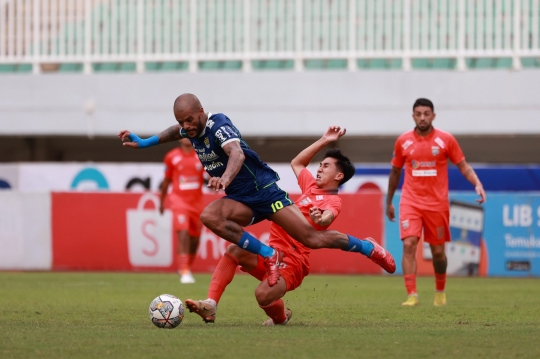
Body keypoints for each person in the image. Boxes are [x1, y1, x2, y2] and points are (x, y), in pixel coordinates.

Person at [118, 93, 395, 286]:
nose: (186, 127)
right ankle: (268, 254)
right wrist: (143, 142)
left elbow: (236, 154)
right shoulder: (190, 129)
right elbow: (172, 132)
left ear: (201, 112)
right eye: (182, 122)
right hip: (242, 199)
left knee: (312, 238)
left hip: (264, 191)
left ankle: (367, 247)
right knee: (210, 217)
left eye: (190, 120)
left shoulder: (218, 126)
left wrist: (224, 180)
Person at [184, 127, 356, 325]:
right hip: (273, 254)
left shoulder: (334, 201)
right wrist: (324, 140)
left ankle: (281, 318)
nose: (319, 168)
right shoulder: (310, 186)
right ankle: (210, 305)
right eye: (321, 165)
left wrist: (320, 219)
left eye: (326, 166)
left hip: (293, 262)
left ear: (339, 176)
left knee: (263, 295)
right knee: (235, 249)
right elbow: (297, 162)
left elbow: (327, 218)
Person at [386, 98, 486, 307]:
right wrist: (389, 201)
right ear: (413, 116)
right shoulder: (403, 141)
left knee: (438, 252)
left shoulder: (446, 140)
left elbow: (463, 165)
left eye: (426, 113)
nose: (423, 117)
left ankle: (440, 290)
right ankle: (412, 294)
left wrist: (477, 182)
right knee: (409, 244)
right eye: (418, 113)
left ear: (433, 115)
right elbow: (395, 173)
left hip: (437, 204)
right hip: (410, 201)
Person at [159, 138, 205, 284]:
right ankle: (184, 270)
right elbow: (166, 181)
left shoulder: (201, 155)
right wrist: (161, 202)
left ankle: (187, 267)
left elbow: (210, 175)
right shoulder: (171, 157)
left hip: (197, 203)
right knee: (183, 232)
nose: (187, 137)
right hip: (179, 201)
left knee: (195, 238)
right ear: (179, 138)